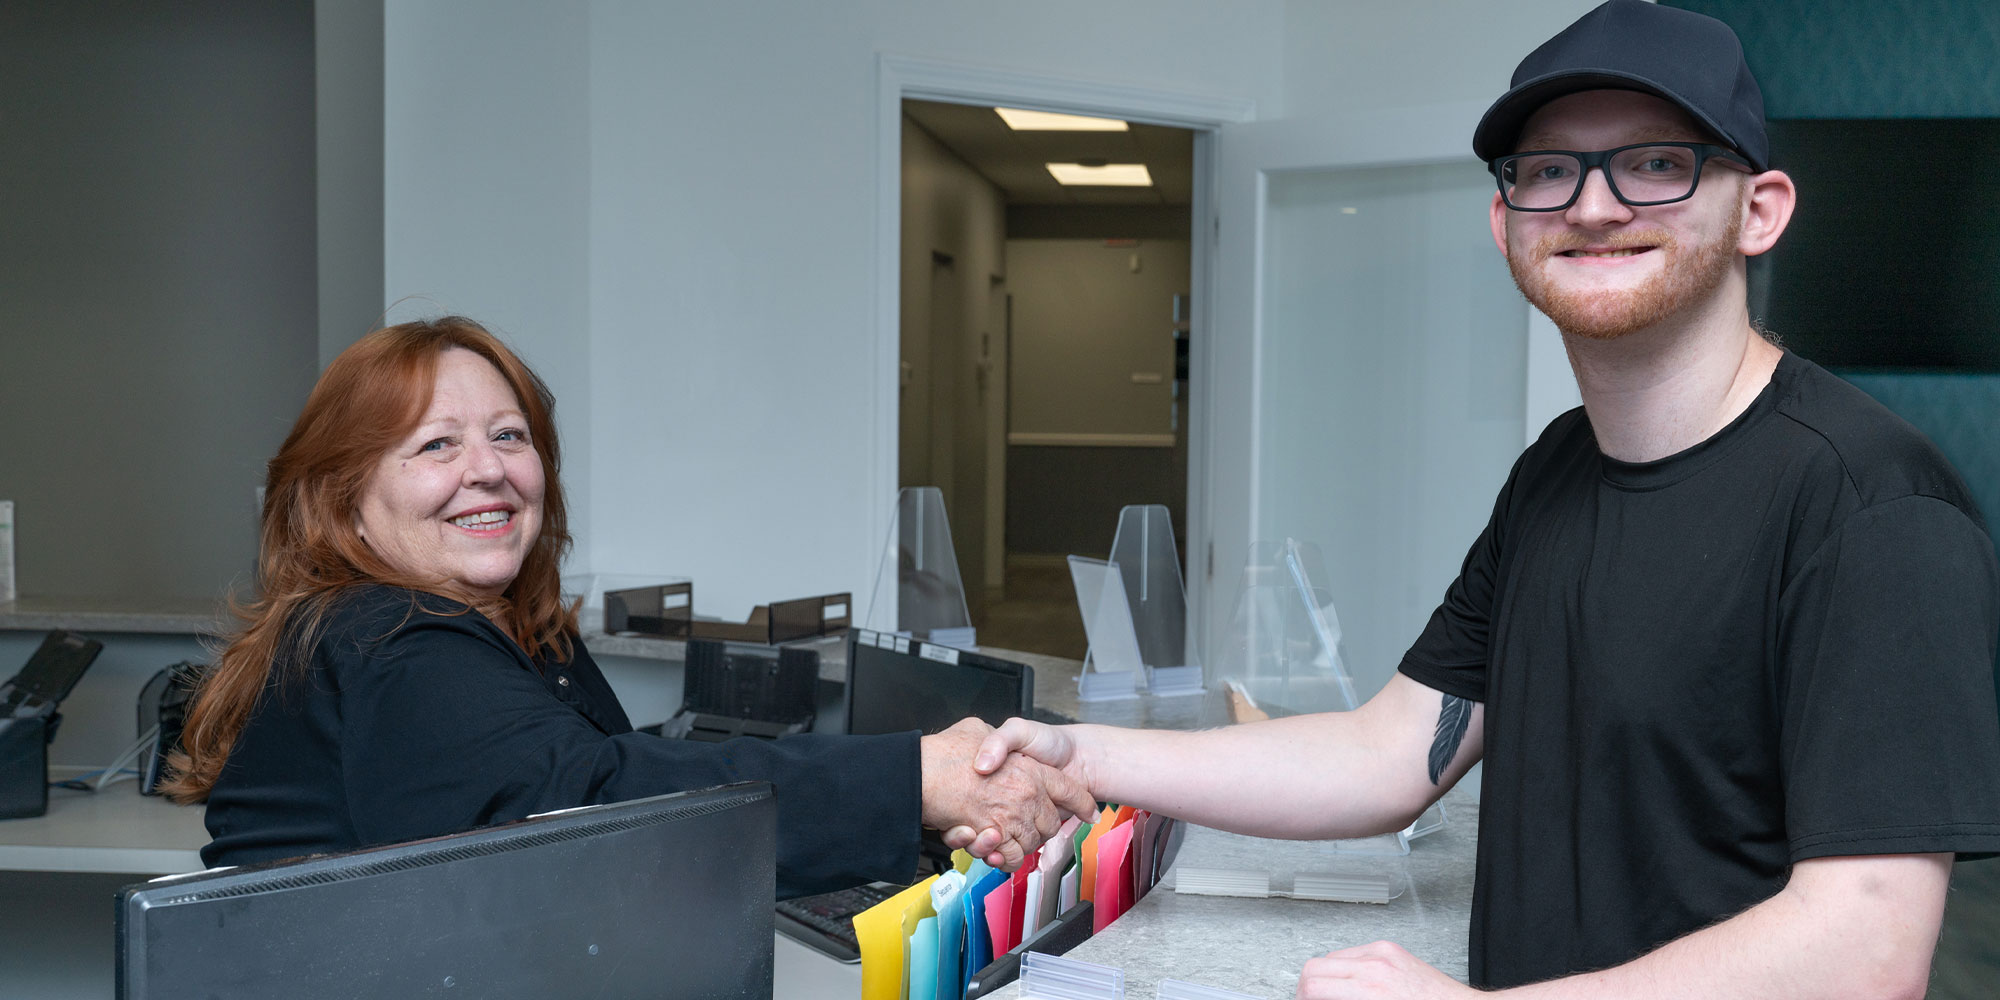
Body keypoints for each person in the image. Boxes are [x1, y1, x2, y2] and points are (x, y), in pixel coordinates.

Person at [967, 2, 2000, 997]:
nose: (1593, 206)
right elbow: (1385, 754)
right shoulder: (1554, 469)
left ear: (1758, 210)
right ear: (1504, 222)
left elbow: (1865, 950)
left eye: (1653, 163)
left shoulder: (1872, 506)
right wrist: (1084, 751)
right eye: (1550, 171)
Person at [163, 316, 1090, 898]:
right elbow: (589, 808)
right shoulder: (391, 639)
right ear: (342, 497)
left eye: (508, 435)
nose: (486, 468)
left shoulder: (504, 632)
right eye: (435, 445)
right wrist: (920, 778)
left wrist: (924, 808)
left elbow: (600, 767)